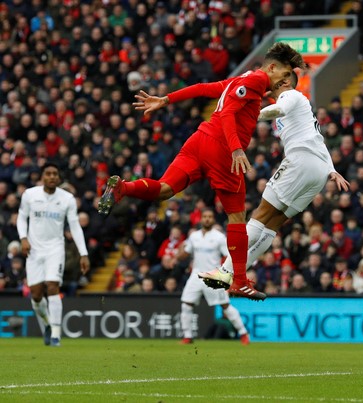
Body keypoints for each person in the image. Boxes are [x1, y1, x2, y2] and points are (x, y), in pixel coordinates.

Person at [98, 42, 305, 301]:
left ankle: (123, 188)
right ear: (272, 67)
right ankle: (240, 281)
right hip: (222, 150)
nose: (284, 82)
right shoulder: (257, 80)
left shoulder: (243, 79)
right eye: (284, 75)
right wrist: (236, 149)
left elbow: (203, 88)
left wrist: (166, 99)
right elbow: (227, 113)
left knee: (164, 189)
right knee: (237, 216)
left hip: (199, 140)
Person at [198, 72, 349, 292]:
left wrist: (252, 115)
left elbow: (279, 110)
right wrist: (331, 169)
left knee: (260, 215)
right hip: (318, 172)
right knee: (272, 224)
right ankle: (232, 274)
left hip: (300, 161)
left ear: (285, 82)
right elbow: (317, 137)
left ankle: (226, 270)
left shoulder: (290, 95)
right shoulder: (303, 107)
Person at [17, 163, 90, 346]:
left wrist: (83, 253)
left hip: (55, 249)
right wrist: (23, 238)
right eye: (48, 173)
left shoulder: (67, 199)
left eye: (54, 174)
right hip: (34, 250)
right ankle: (48, 324)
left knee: (52, 286)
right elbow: (21, 217)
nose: (51, 177)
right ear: (42, 176)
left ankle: (56, 335)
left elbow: (75, 226)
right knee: (36, 295)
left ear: (58, 177)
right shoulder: (30, 195)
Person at [177, 208, 249, 345]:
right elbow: (185, 254)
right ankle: (187, 336)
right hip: (196, 275)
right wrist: (179, 252)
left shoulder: (219, 237)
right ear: (201, 219)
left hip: (213, 276)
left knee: (225, 305)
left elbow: (229, 256)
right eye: (205, 216)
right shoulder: (194, 236)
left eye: (210, 216)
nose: (207, 219)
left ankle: (243, 333)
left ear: (213, 219)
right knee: (186, 303)